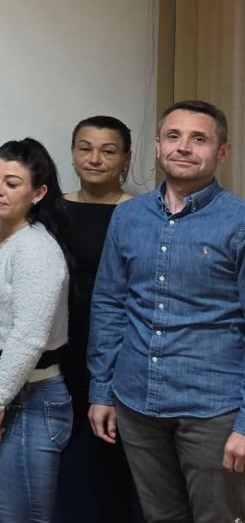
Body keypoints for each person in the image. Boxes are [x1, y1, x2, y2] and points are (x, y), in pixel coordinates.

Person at [88, 100, 245, 521]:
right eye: (173, 137)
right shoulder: (128, 216)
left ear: (222, 152)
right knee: (159, 516)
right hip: (136, 401)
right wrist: (101, 390)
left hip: (212, 408)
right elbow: (110, 304)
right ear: (158, 146)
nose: (184, 147)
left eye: (199, 139)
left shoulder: (239, 222)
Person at [0, 138, 73, 523]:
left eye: (11, 182)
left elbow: (29, 337)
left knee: (22, 517)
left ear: (38, 193)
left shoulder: (36, 248)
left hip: (29, 400)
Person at [60, 115, 140, 522]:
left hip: (118, 348)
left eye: (108, 151)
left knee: (111, 454)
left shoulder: (142, 212)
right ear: (72, 153)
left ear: (126, 159)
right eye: (85, 148)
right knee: (62, 453)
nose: (94, 159)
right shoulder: (51, 208)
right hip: (58, 346)